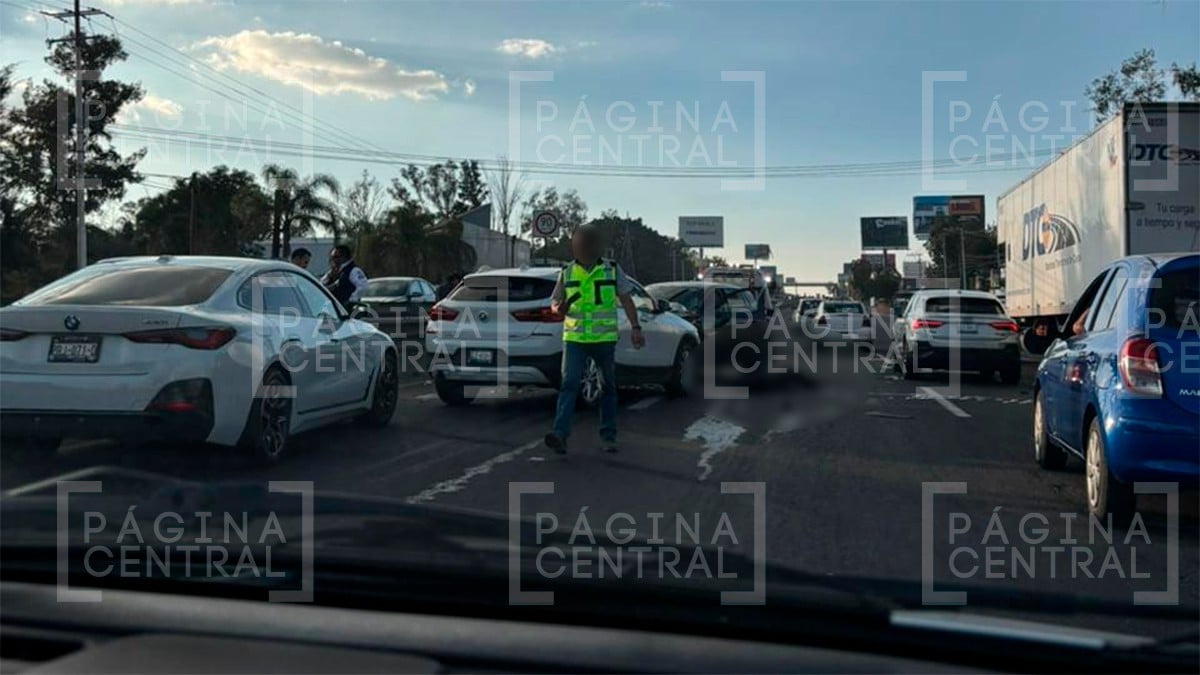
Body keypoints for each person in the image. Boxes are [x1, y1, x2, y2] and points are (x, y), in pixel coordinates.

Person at [544, 225, 644, 455]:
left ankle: (608, 436)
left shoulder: (611, 270)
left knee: (607, 387)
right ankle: (560, 434)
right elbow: (555, 301)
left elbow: (626, 300)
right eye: (578, 245)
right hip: (575, 338)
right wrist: (559, 308)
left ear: (595, 246)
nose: (582, 249)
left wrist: (636, 328)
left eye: (586, 244)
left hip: (603, 340)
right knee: (569, 384)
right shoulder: (567, 272)